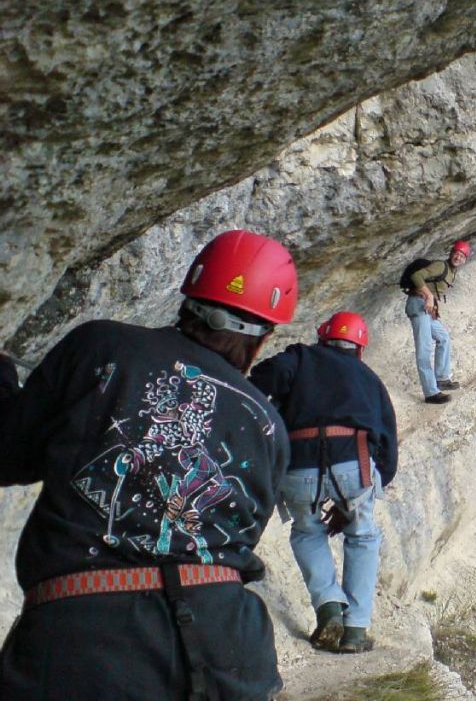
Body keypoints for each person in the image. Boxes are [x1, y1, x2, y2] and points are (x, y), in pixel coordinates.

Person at [0, 229, 297, 700]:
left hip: (82, 644)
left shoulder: (99, 348)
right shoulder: (269, 427)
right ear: (262, 340)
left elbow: (7, 455)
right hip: (229, 653)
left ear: (188, 294)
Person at [249, 311, 397, 654]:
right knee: (363, 536)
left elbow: (261, 379)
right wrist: (367, 492)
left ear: (322, 338)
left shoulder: (299, 357)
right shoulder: (369, 378)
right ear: (359, 349)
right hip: (353, 465)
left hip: (298, 467)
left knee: (306, 531)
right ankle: (356, 630)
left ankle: (329, 606)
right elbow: (387, 443)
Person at [403, 240, 471, 403]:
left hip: (427, 309)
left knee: (444, 338)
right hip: (418, 305)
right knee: (424, 349)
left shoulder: (452, 271)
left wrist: (432, 302)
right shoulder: (441, 266)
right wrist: (429, 296)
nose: (458, 257)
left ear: (465, 259)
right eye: (456, 253)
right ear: (451, 253)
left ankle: (441, 378)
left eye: (462, 256)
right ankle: (431, 393)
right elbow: (416, 276)